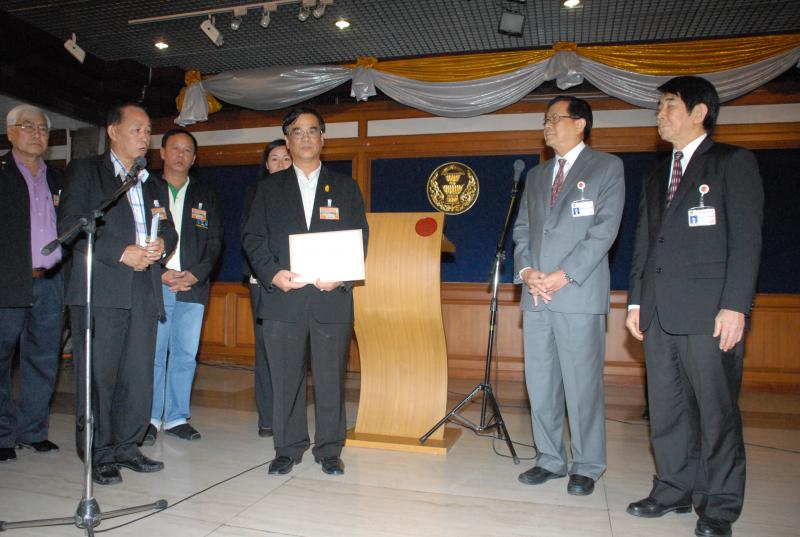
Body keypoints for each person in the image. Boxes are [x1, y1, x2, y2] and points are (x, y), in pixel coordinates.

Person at [625, 76, 763, 537]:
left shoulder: (731, 162)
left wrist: (735, 306)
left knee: (715, 413)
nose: (659, 114)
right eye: (659, 106)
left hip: (710, 313)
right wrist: (637, 300)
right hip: (659, 313)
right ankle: (672, 489)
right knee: (666, 409)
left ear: (700, 112)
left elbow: (746, 240)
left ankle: (719, 505)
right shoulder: (655, 175)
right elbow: (646, 243)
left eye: (669, 105)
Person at [242, 107, 368, 476]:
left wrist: (342, 276)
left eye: (313, 130)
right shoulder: (268, 189)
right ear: (288, 141)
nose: (306, 137)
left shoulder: (345, 187)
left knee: (330, 379)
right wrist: (272, 274)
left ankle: (329, 449)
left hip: (331, 299)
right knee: (285, 380)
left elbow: (360, 237)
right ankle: (288, 447)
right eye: (298, 132)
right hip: (284, 298)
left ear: (323, 138)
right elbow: (252, 238)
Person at [58, 103, 177, 485]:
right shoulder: (86, 171)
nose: (145, 137)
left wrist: (162, 244)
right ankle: (99, 452)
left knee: (137, 375)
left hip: (143, 290)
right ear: (113, 131)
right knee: (100, 376)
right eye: (137, 129)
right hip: (101, 289)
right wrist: (120, 251)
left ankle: (127, 446)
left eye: (148, 131)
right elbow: (71, 225)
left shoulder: (152, 182)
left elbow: (169, 229)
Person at [512, 96, 625, 496]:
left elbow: (605, 230)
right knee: (540, 382)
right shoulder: (537, 175)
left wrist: (564, 275)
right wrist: (527, 271)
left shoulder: (607, 167)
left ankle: (587, 464)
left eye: (555, 118)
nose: (547, 125)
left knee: (582, 386)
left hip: (577, 292)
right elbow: (523, 229)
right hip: (536, 294)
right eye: (545, 119)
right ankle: (549, 458)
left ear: (580, 124)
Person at [144, 128, 222, 445]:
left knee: (186, 355)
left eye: (187, 150)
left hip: (193, 286)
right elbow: (134, 234)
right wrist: (159, 272)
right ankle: (150, 418)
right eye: (175, 148)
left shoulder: (206, 194)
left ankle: (176, 417)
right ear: (162, 153)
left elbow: (215, 242)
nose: (181, 154)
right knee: (153, 354)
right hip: (155, 283)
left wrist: (195, 274)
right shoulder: (146, 188)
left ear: (194, 158)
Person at [0, 105, 64, 463]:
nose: (37, 133)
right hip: (8, 280)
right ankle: (2, 435)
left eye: (42, 128)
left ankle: (33, 431)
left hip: (50, 281)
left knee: (43, 359)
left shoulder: (58, 178)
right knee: (2, 359)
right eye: (28, 126)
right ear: (10, 132)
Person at [242, 139, 292, 439]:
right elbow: (249, 238)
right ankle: (268, 418)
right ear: (266, 164)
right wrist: (271, 273)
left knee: (295, 352)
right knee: (266, 351)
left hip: (300, 283)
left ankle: (289, 415)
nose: (281, 164)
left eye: (286, 158)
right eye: (275, 159)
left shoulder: (304, 193)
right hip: (264, 283)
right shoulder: (256, 193)